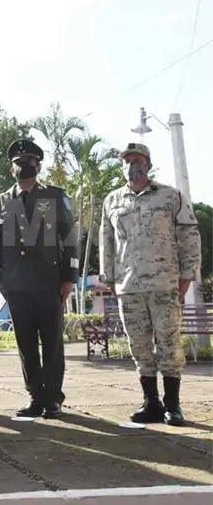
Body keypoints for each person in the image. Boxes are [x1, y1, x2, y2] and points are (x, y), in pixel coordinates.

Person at [99, 142, 201, 426]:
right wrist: (109, 278)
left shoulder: (170, 196)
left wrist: (186, 276)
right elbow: (106, 241)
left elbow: (189, 236)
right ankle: (150, 402)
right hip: (129, 286)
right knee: (139, 346)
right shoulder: (112, 200)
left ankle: (173, 405)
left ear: (148, 164)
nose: (132, 164)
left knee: (169, 344)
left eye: (138, 159)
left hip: (164, 284)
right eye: (127, 160)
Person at [0, 139, 78, 419]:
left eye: (29, 162)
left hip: (49, 282)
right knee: (26, 345)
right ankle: (36, 397)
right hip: (16, 285)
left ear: (38, 167)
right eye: (19, 163)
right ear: (10, 169)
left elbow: (70, 238)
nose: (24, 166)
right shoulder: (0, 202)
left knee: (52, 343)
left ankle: (53, 398)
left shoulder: (54, 196)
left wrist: (68, 277)